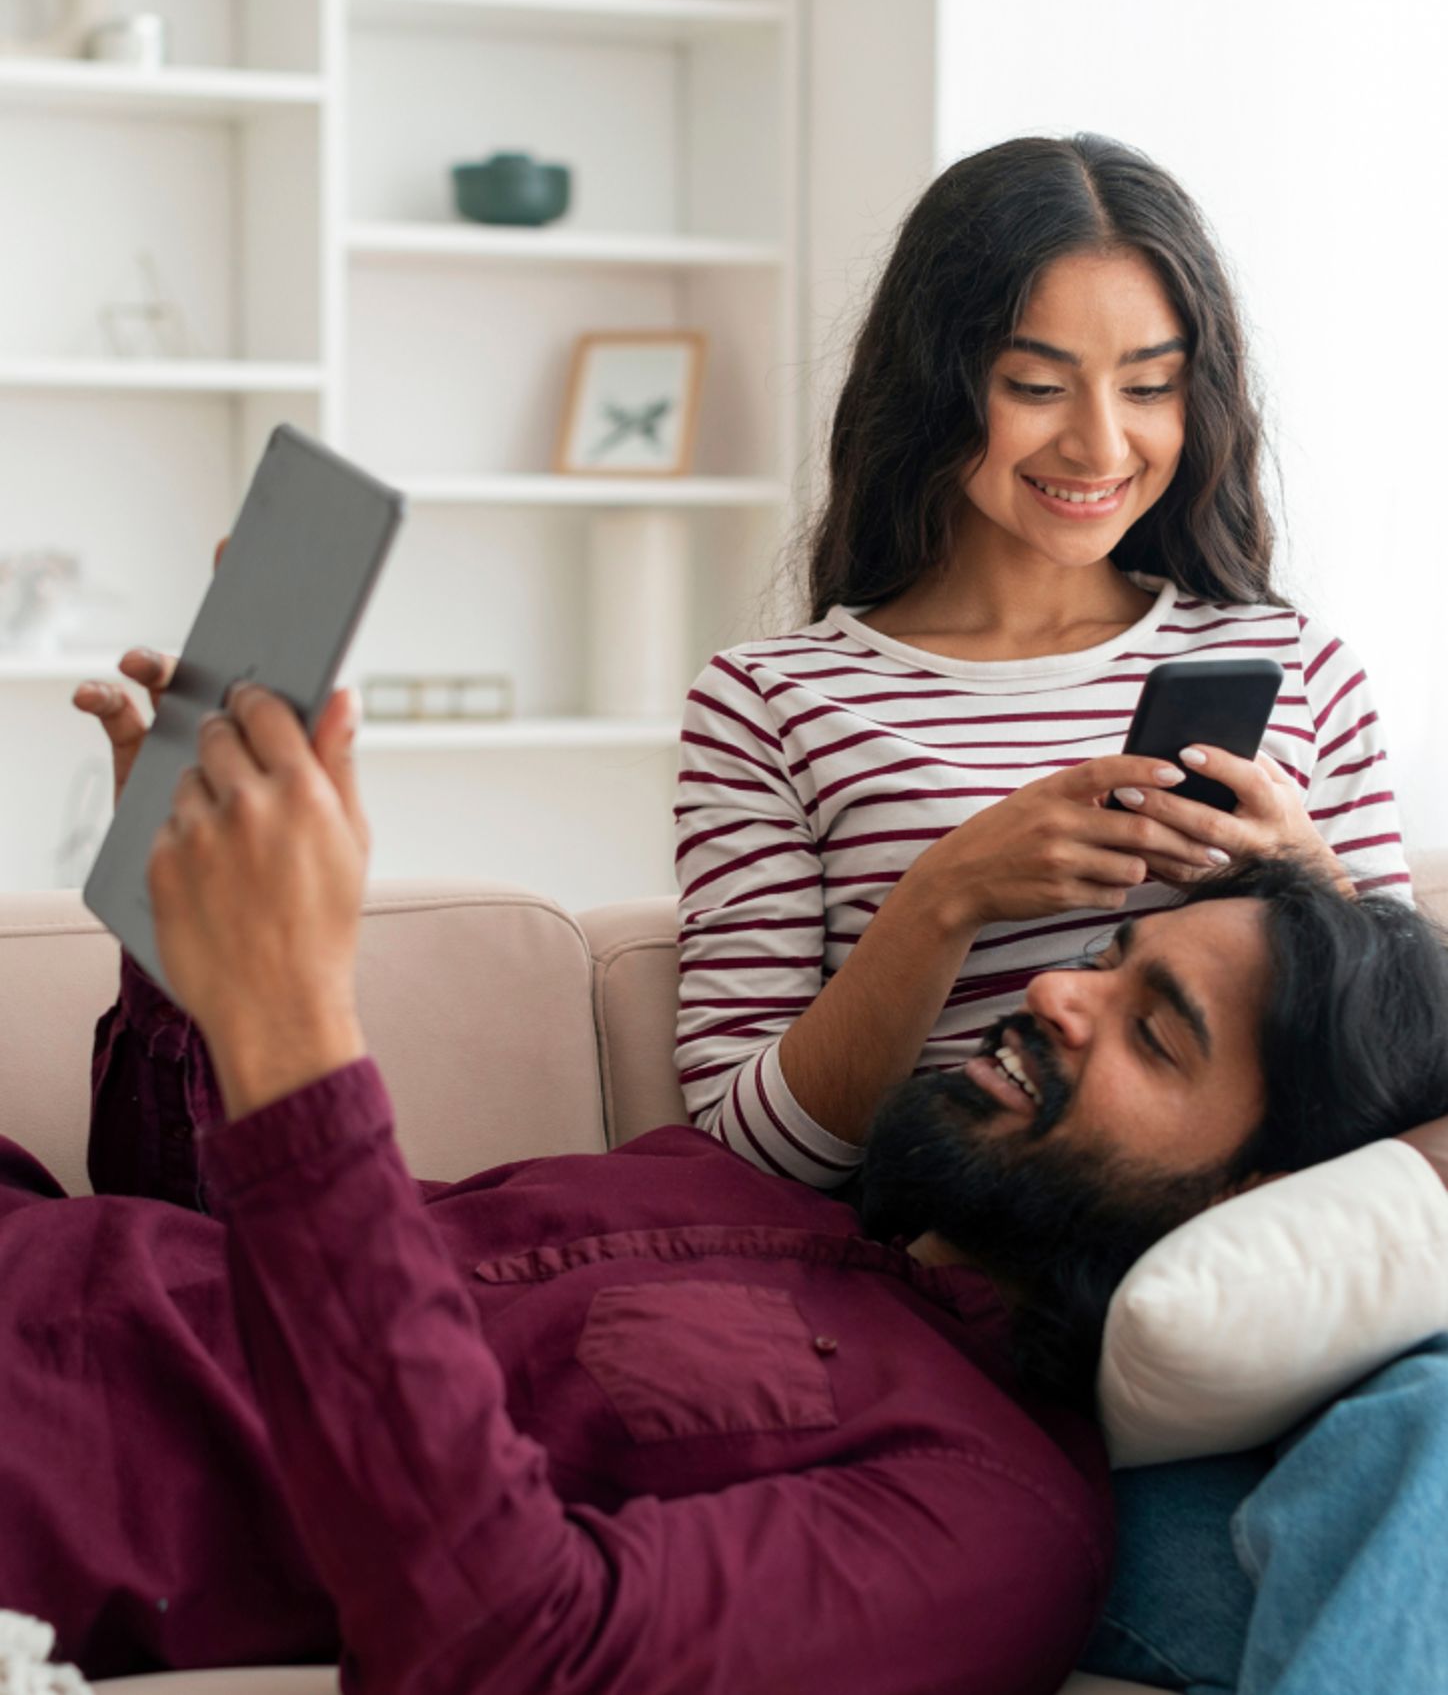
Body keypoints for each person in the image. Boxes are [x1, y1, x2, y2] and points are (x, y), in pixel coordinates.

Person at [9, 675, 1442, 1692]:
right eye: (1114, 963)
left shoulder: (993, 1521)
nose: (1065, 990)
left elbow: (508, 1652)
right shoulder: (743, 1187)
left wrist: (299, 1029)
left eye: (1155, 1032)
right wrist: (182, 961)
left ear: (1246, 1197)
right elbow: (223, 1244)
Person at [672, 131, 1412, 1190]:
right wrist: (945, 898)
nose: (1100, 448)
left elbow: (1407, 1087)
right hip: (925, 1277)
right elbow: (744, 1156)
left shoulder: (1296, 666)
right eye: (1035, 385)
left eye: (1149, 388)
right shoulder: (769, 703)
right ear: (934, 387)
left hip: (1238, 1262)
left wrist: (1305, 880)